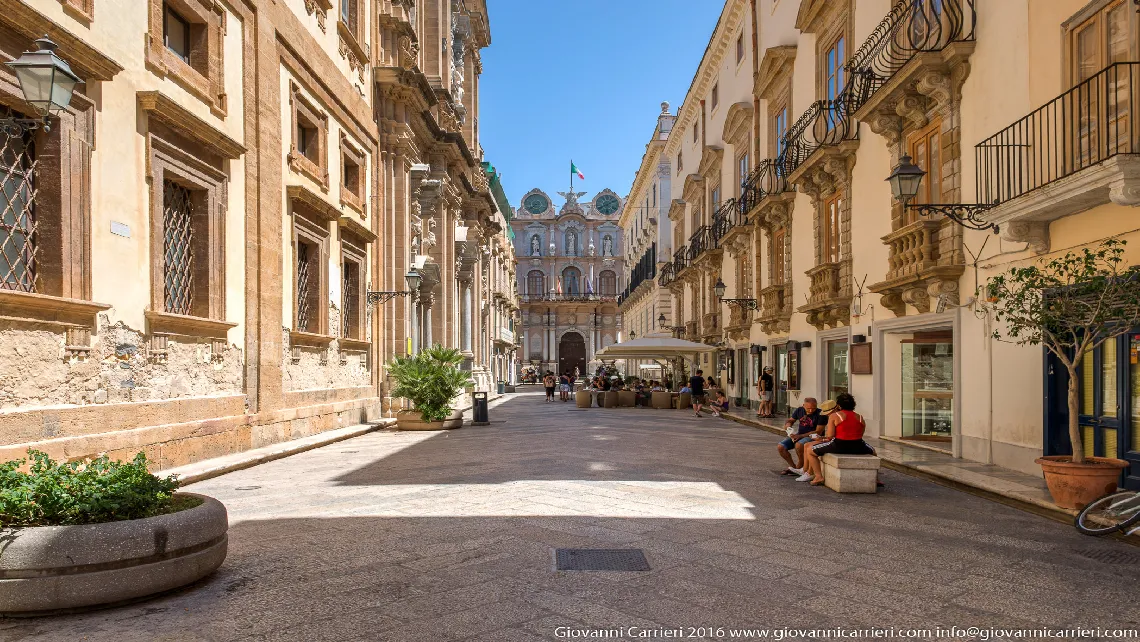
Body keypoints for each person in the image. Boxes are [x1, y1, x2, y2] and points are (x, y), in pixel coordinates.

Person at [799, 393, 876, 485]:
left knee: (810, 451)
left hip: (839, 445)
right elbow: (860, 434)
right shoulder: (860, 417)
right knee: (873, 451)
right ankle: (877, 479)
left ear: (838, 405)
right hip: (858, 445)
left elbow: (830, 436)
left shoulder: (834, 416)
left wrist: (821, 439)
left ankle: (818, 476)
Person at [777, 398, 829, 475]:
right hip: (799, 434)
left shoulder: (821, 414)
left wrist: (800, 436)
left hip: (813, 436)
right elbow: (791, 420)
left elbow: (818, 431)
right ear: (803, 405)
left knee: (799, 445)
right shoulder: (799, 410)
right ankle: (793, 467)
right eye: (808, 408)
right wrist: (788, 426)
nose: (811, 410)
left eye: (813, 408)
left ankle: (799, 467)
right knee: (781, 447)